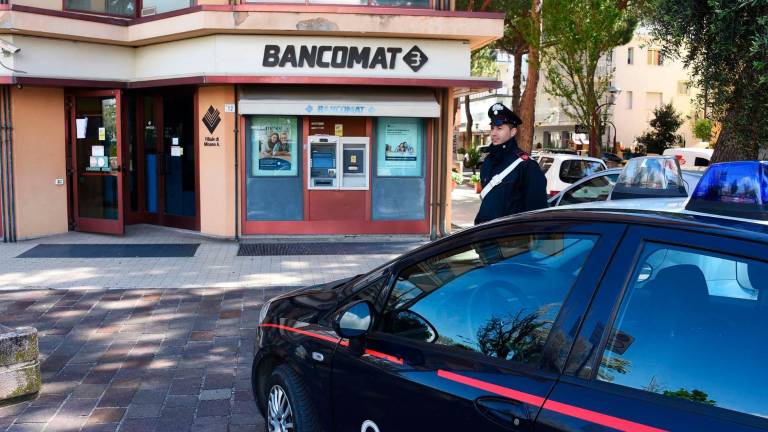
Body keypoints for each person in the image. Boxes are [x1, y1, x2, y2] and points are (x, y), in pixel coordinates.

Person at [474, 103, 548, 225]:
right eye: (492, 128)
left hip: (510, 240)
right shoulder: (488, 161)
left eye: (499, 128)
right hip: (485, 236)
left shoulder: (526, 165)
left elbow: (536, 213)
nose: (493, 133)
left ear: (513, 132)